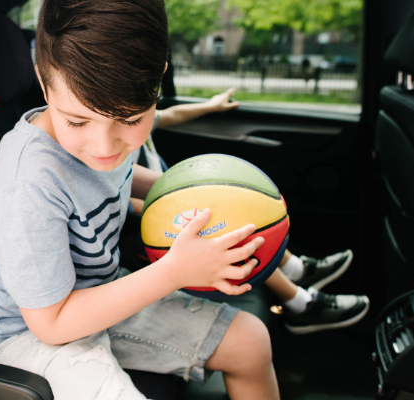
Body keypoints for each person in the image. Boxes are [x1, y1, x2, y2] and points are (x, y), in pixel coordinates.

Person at [0, 1, 279, 398]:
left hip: (98, 296)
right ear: (43, 81)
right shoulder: (27, 183)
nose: (104, 146)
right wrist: (175, 272)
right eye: (78, 121)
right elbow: (52, 324)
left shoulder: (98, 134)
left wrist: (196, 195)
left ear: (159, 79)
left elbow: (120, 177)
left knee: (249, 341)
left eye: (130, 120)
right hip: (24, 334)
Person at [127, 88, 370, 335]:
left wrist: (211, 105)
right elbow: (126, 203)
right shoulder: (111, 145)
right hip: (150, 227)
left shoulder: (139, 119)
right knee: (235, 232)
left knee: (241, 211)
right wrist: (180, 203)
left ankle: (296, 269)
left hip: (168, 205)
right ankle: (299, 304)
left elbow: (172, 114)